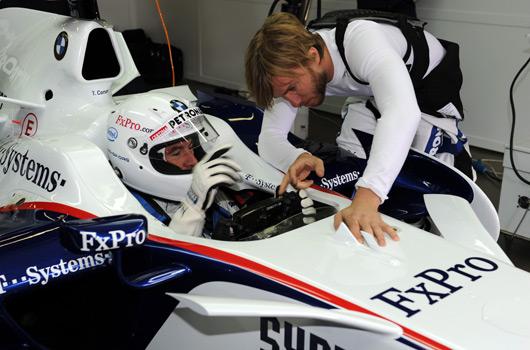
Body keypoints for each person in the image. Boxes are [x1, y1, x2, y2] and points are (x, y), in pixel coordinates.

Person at [244, 12, 474, 246]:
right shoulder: (290, 69)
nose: (292, 102)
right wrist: (296, 156)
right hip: (371, 92)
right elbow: (270, 137)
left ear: (313, 56)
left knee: (416, 188)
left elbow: (403, 112)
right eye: (282, 94)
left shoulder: (362, 41)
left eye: (292, 88)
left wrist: (369, 194)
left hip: (426, 96)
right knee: (349, 173)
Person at [106, 91, 243, 237]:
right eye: (176, 153)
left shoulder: (206, 187)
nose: (194, 161)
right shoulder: (129, 221)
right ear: (135, 160)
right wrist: (192, 209)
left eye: (192, 147)